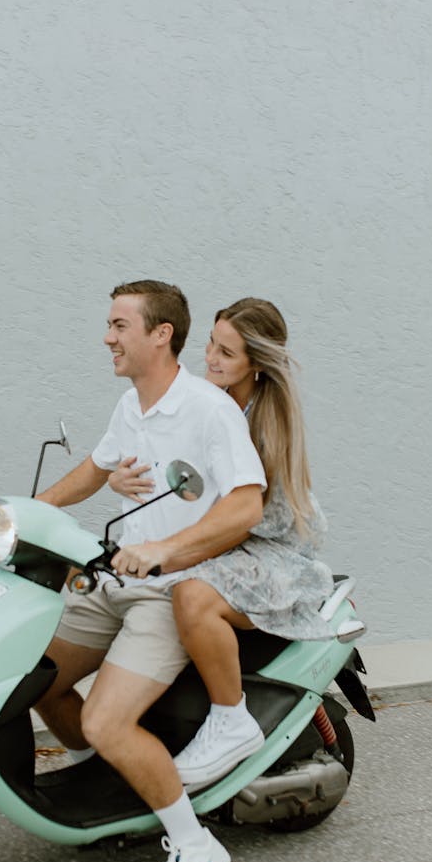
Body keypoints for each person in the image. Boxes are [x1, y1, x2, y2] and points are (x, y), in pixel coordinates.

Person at [34, 280, 266, 862]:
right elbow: (95, 466)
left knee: (109, 720)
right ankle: (105, 780)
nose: (107, 336)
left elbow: (245, 503)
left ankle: (194, 847)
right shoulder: (131, 403)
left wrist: (167, 549)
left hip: (163, 593)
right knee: (37, 678)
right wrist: (30, 512)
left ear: (161, 334)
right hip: (114, 579)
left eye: (118, 325)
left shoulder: (207, 408)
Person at [109, 297, 334, 788]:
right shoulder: (206, 400)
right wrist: (120, 484)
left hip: (269, 551)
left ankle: (231, 719)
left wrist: (172, 551)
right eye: (211, 343)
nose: (210, 357)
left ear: (255, 361)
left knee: (190, 596)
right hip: (230, 541)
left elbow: (238, 516)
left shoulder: (263, 420)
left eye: (227, 353)